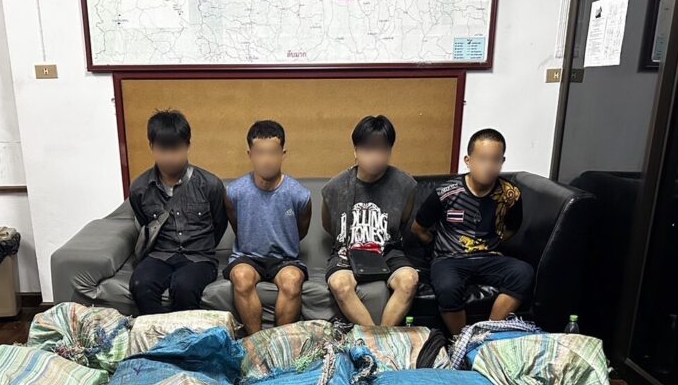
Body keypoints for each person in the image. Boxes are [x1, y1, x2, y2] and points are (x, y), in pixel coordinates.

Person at [412, 128, 530, 336]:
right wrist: (436, 247)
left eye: (495, 160)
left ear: (502, 161)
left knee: (523, 272)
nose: (489, 166)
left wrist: (494, 242)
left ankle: (487, 333)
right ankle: (462, 339)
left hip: (489, 257)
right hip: (450, 258)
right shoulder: (446, 193)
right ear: (468, 160)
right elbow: (418, 228)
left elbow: (512, 228)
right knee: (448, 287)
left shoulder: (510, 194)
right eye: (482, 159)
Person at [321, 115, 420, 326]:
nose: (375, 156)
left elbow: (403, 221)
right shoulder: (335, 187)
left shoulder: (405, 185)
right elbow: (329, 225)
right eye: (368, 149)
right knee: (339, 284)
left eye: (382, 149)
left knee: (409, 280)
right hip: (347, 252)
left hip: (388, 251)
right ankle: (375, 338)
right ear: (355, 151)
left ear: (390, 151)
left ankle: (380, 336)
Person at [128, 109, 228, 314]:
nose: (169, 156)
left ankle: (185, 333)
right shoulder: (140, 188)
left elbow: (219, 223)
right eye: (162, 149)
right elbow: (144, 221)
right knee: (140, 283)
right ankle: (159, 332)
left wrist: (203, 246)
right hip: (160, 254)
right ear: (152, 147)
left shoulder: (210, 184)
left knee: (184, 286)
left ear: (188, 146)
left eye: (175, 149)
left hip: (199, 257)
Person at [224, 120, 312, 334]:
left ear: (283, 153)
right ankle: (257, 343)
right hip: (248, 257)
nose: (266, 160)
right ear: (250, 154)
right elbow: (236, 224)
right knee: (241, 277)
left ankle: (278, 343)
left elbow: (301, 230)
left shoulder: (299, 195)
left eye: (273, 153)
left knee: (292, 281)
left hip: (285, 259)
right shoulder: (235, 192)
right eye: (260, 153)